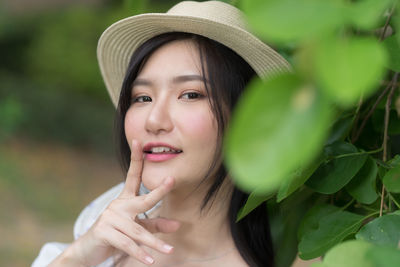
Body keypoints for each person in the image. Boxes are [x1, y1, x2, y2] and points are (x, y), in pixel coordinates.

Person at [32, 1, 291, 266]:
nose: (154, 120)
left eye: (191, 94)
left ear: (248, 118)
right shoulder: (102, 227)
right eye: (142, 97)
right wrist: (79, 256)